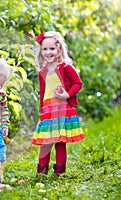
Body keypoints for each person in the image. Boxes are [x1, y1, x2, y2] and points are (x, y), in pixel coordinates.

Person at [31, 31, 85, 177]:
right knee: (45, 142)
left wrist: (67, 94)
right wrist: (42, 109)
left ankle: (59, 172)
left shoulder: (65, 67)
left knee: (60, 142)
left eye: (52, 49)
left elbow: (77, 83)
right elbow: (43, 91)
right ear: (40, 51)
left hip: (62, 108)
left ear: (59, 49)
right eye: (45, 49)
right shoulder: (42, 71)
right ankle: (41, 173)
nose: (48, 52)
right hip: (48, 110)